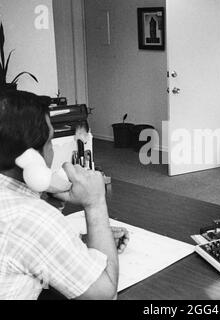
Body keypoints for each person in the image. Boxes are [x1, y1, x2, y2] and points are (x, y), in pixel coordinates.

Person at [0, 90, 129, 300]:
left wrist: (76, 243)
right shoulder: (29, 217)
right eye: (51, 141)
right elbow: (103, 295)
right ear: (30, 158)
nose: (53, 150)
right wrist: (95, 203)